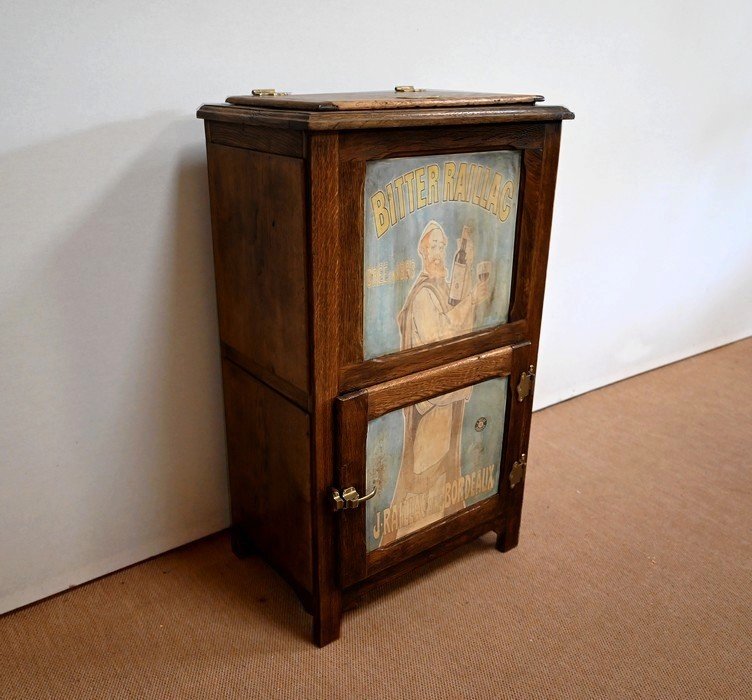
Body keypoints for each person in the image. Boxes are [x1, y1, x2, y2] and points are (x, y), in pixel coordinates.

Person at [380, 221, 490, 545]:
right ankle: (407, 541)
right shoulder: (423, 296)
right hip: (428, 408)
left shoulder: (439, 289)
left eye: (444, 246)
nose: (441, 252)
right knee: (423, 476)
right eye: (436, 247)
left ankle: (442, 529)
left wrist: (465, 258)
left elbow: (454, 314)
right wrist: (472, 300)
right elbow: (442, 334)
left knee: (445, 472)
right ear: (424, 252)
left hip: (443, 403)